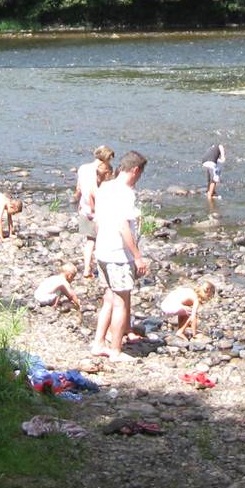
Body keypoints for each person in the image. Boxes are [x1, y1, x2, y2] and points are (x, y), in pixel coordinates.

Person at [90, 150, 149, 359]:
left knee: (108, 299)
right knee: (121, 303)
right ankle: (115, 350)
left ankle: (98, 344)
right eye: (140, 174)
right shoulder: (125, 193)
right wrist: (137, 256)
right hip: (118, 255)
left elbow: (97, 222)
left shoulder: (105, 187)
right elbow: (124, 226)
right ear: (135, 170)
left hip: (102, 251)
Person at [73, 145, 115, 278]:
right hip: (100, 210)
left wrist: (77, 201)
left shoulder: (83, 168)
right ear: (107, 158)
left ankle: (87, 269)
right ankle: (102, 268)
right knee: (102, 240)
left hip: (84, 208)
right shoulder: (105, 170)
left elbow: (79, 189)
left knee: (89, 241)